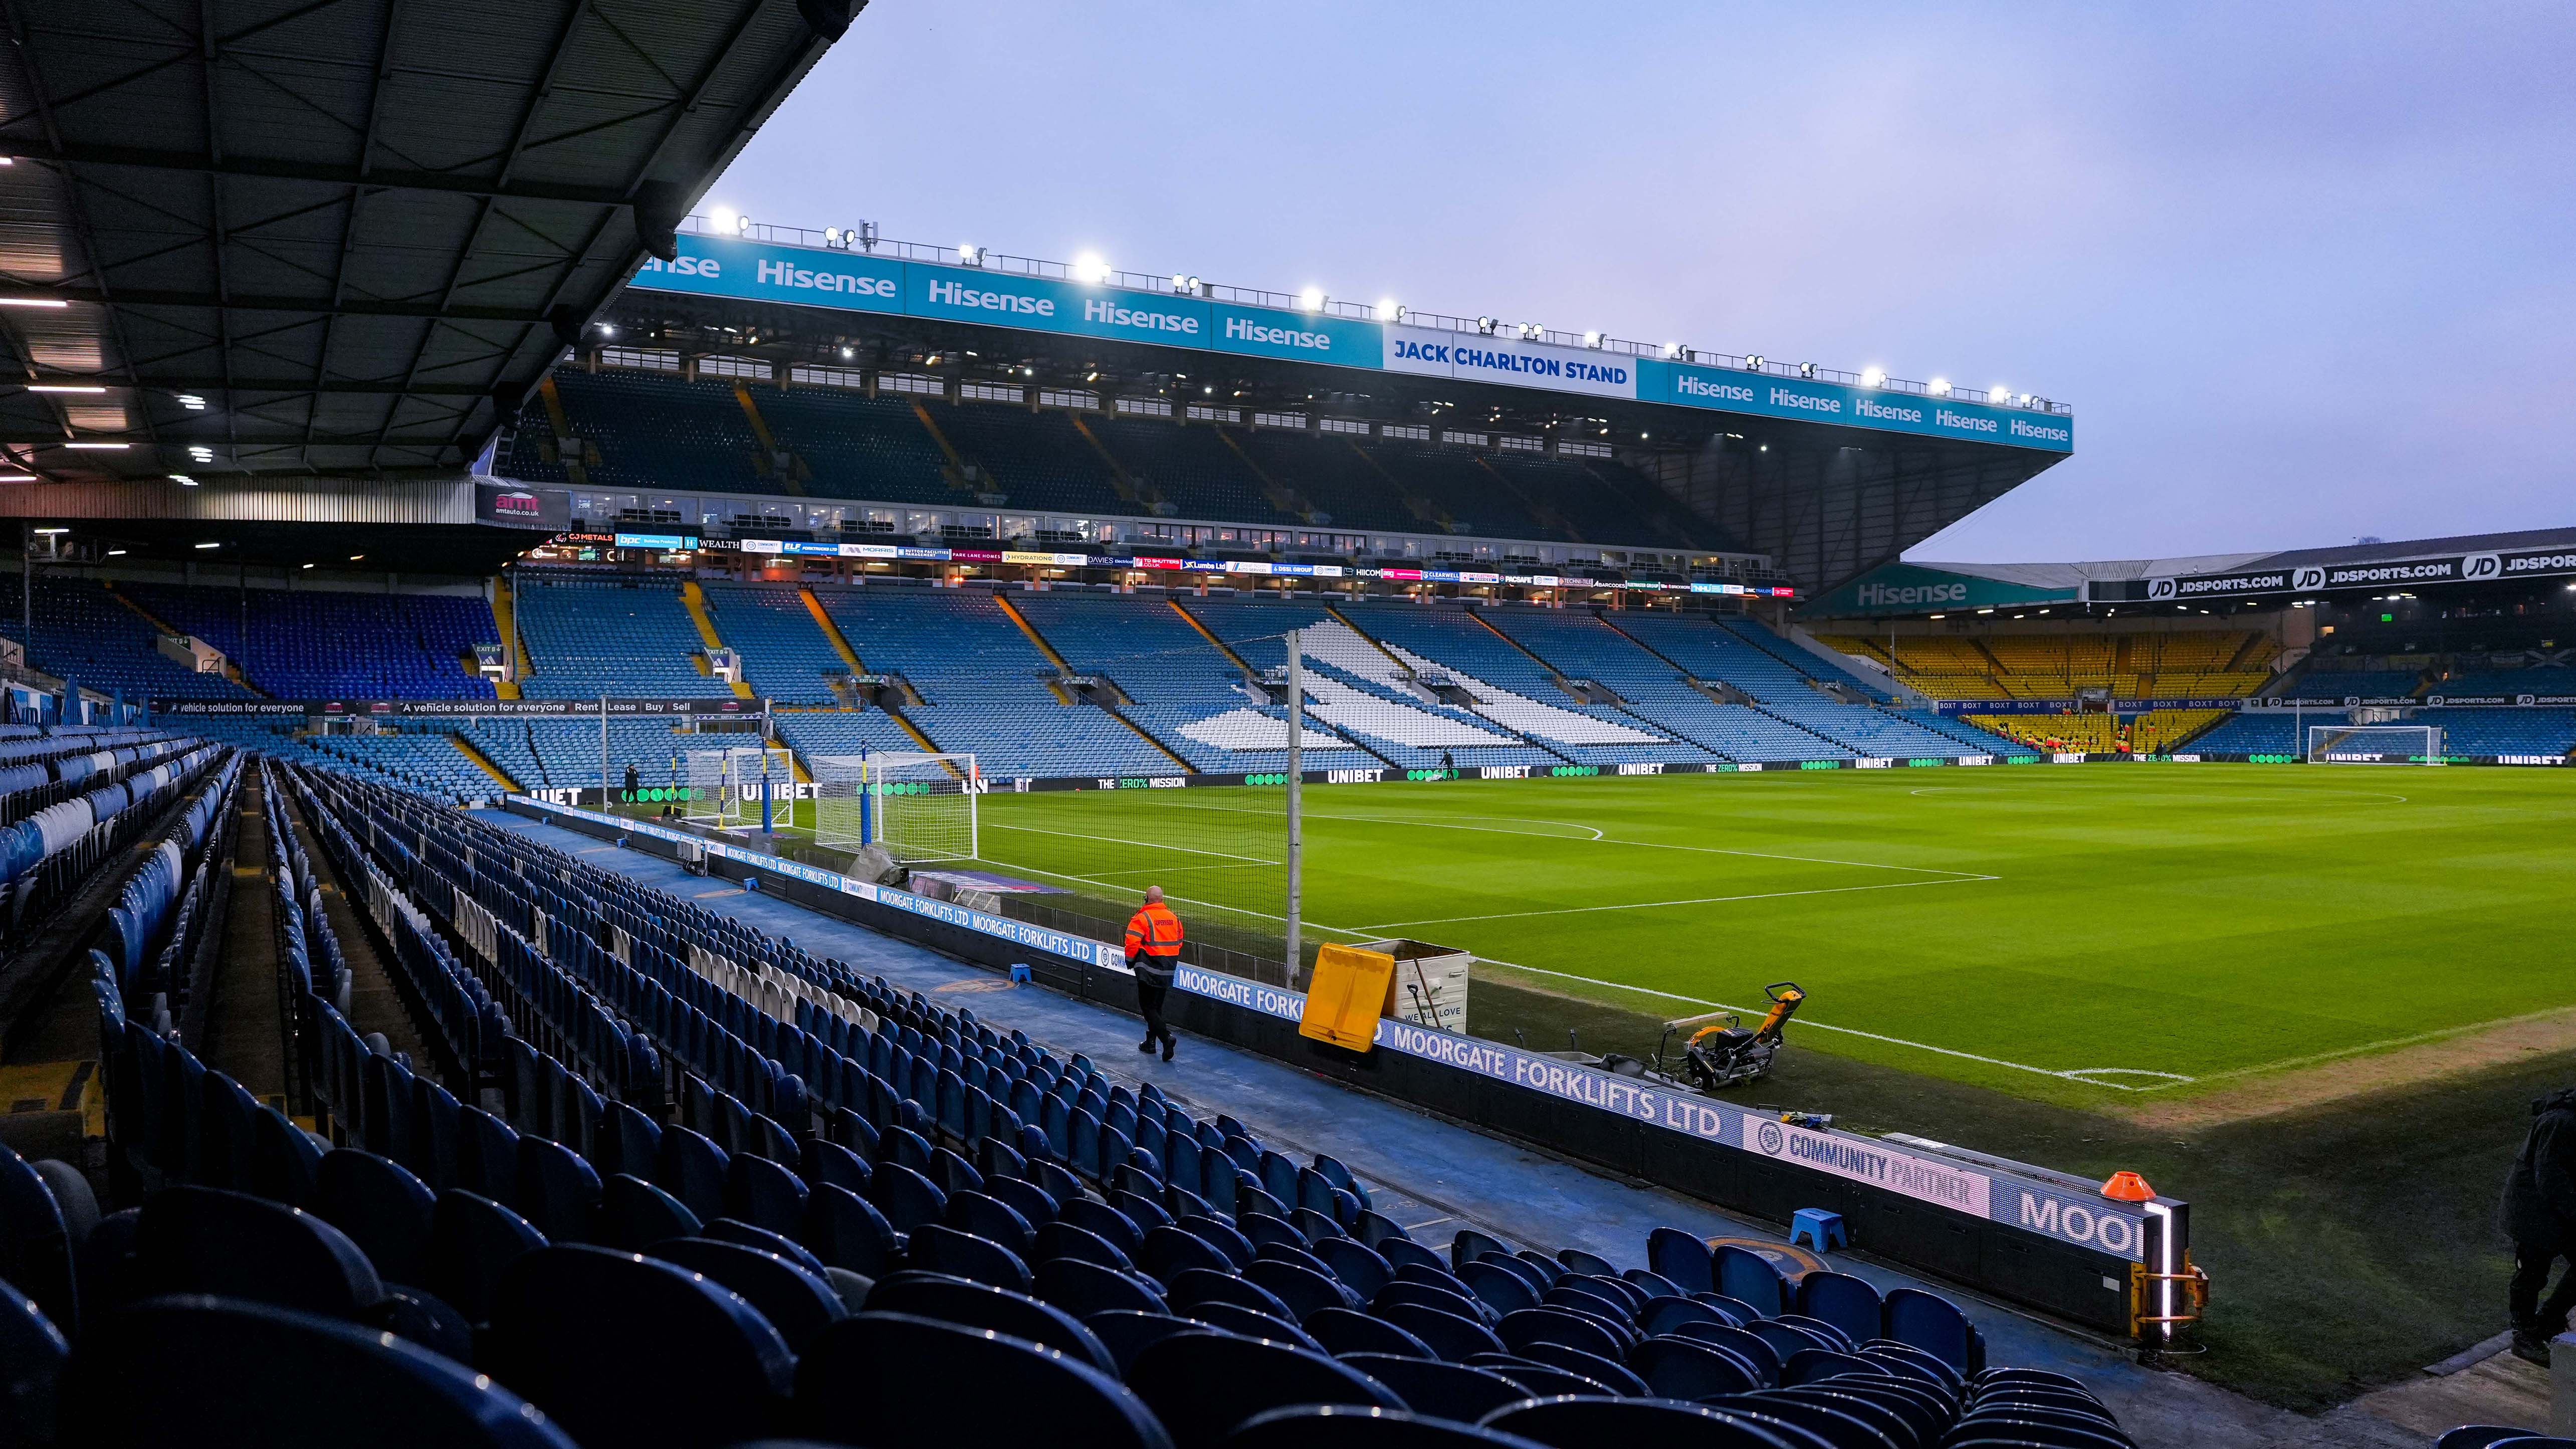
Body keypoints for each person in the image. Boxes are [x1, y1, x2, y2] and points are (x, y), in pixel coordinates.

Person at [2501, 1086, 2576, 1363]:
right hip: (2533, 1212)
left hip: (2557, 1208)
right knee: (2531, 1273)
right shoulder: (2561, 1123)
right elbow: (2550, 1178)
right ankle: (2524, 1334)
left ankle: (2548, 1320)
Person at [1124, 885, 1184, 1062]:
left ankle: (1166, 1038)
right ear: (1162, 900)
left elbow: (1132, 943)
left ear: (1146, 899)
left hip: (1148, 969)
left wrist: (1130, 961)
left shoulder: (1142, 918)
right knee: (1156, 1007)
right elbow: (1180, 941)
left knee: (1148, 1007)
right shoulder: (1173, 918)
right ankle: (1150, 1043)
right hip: (1168, 968)